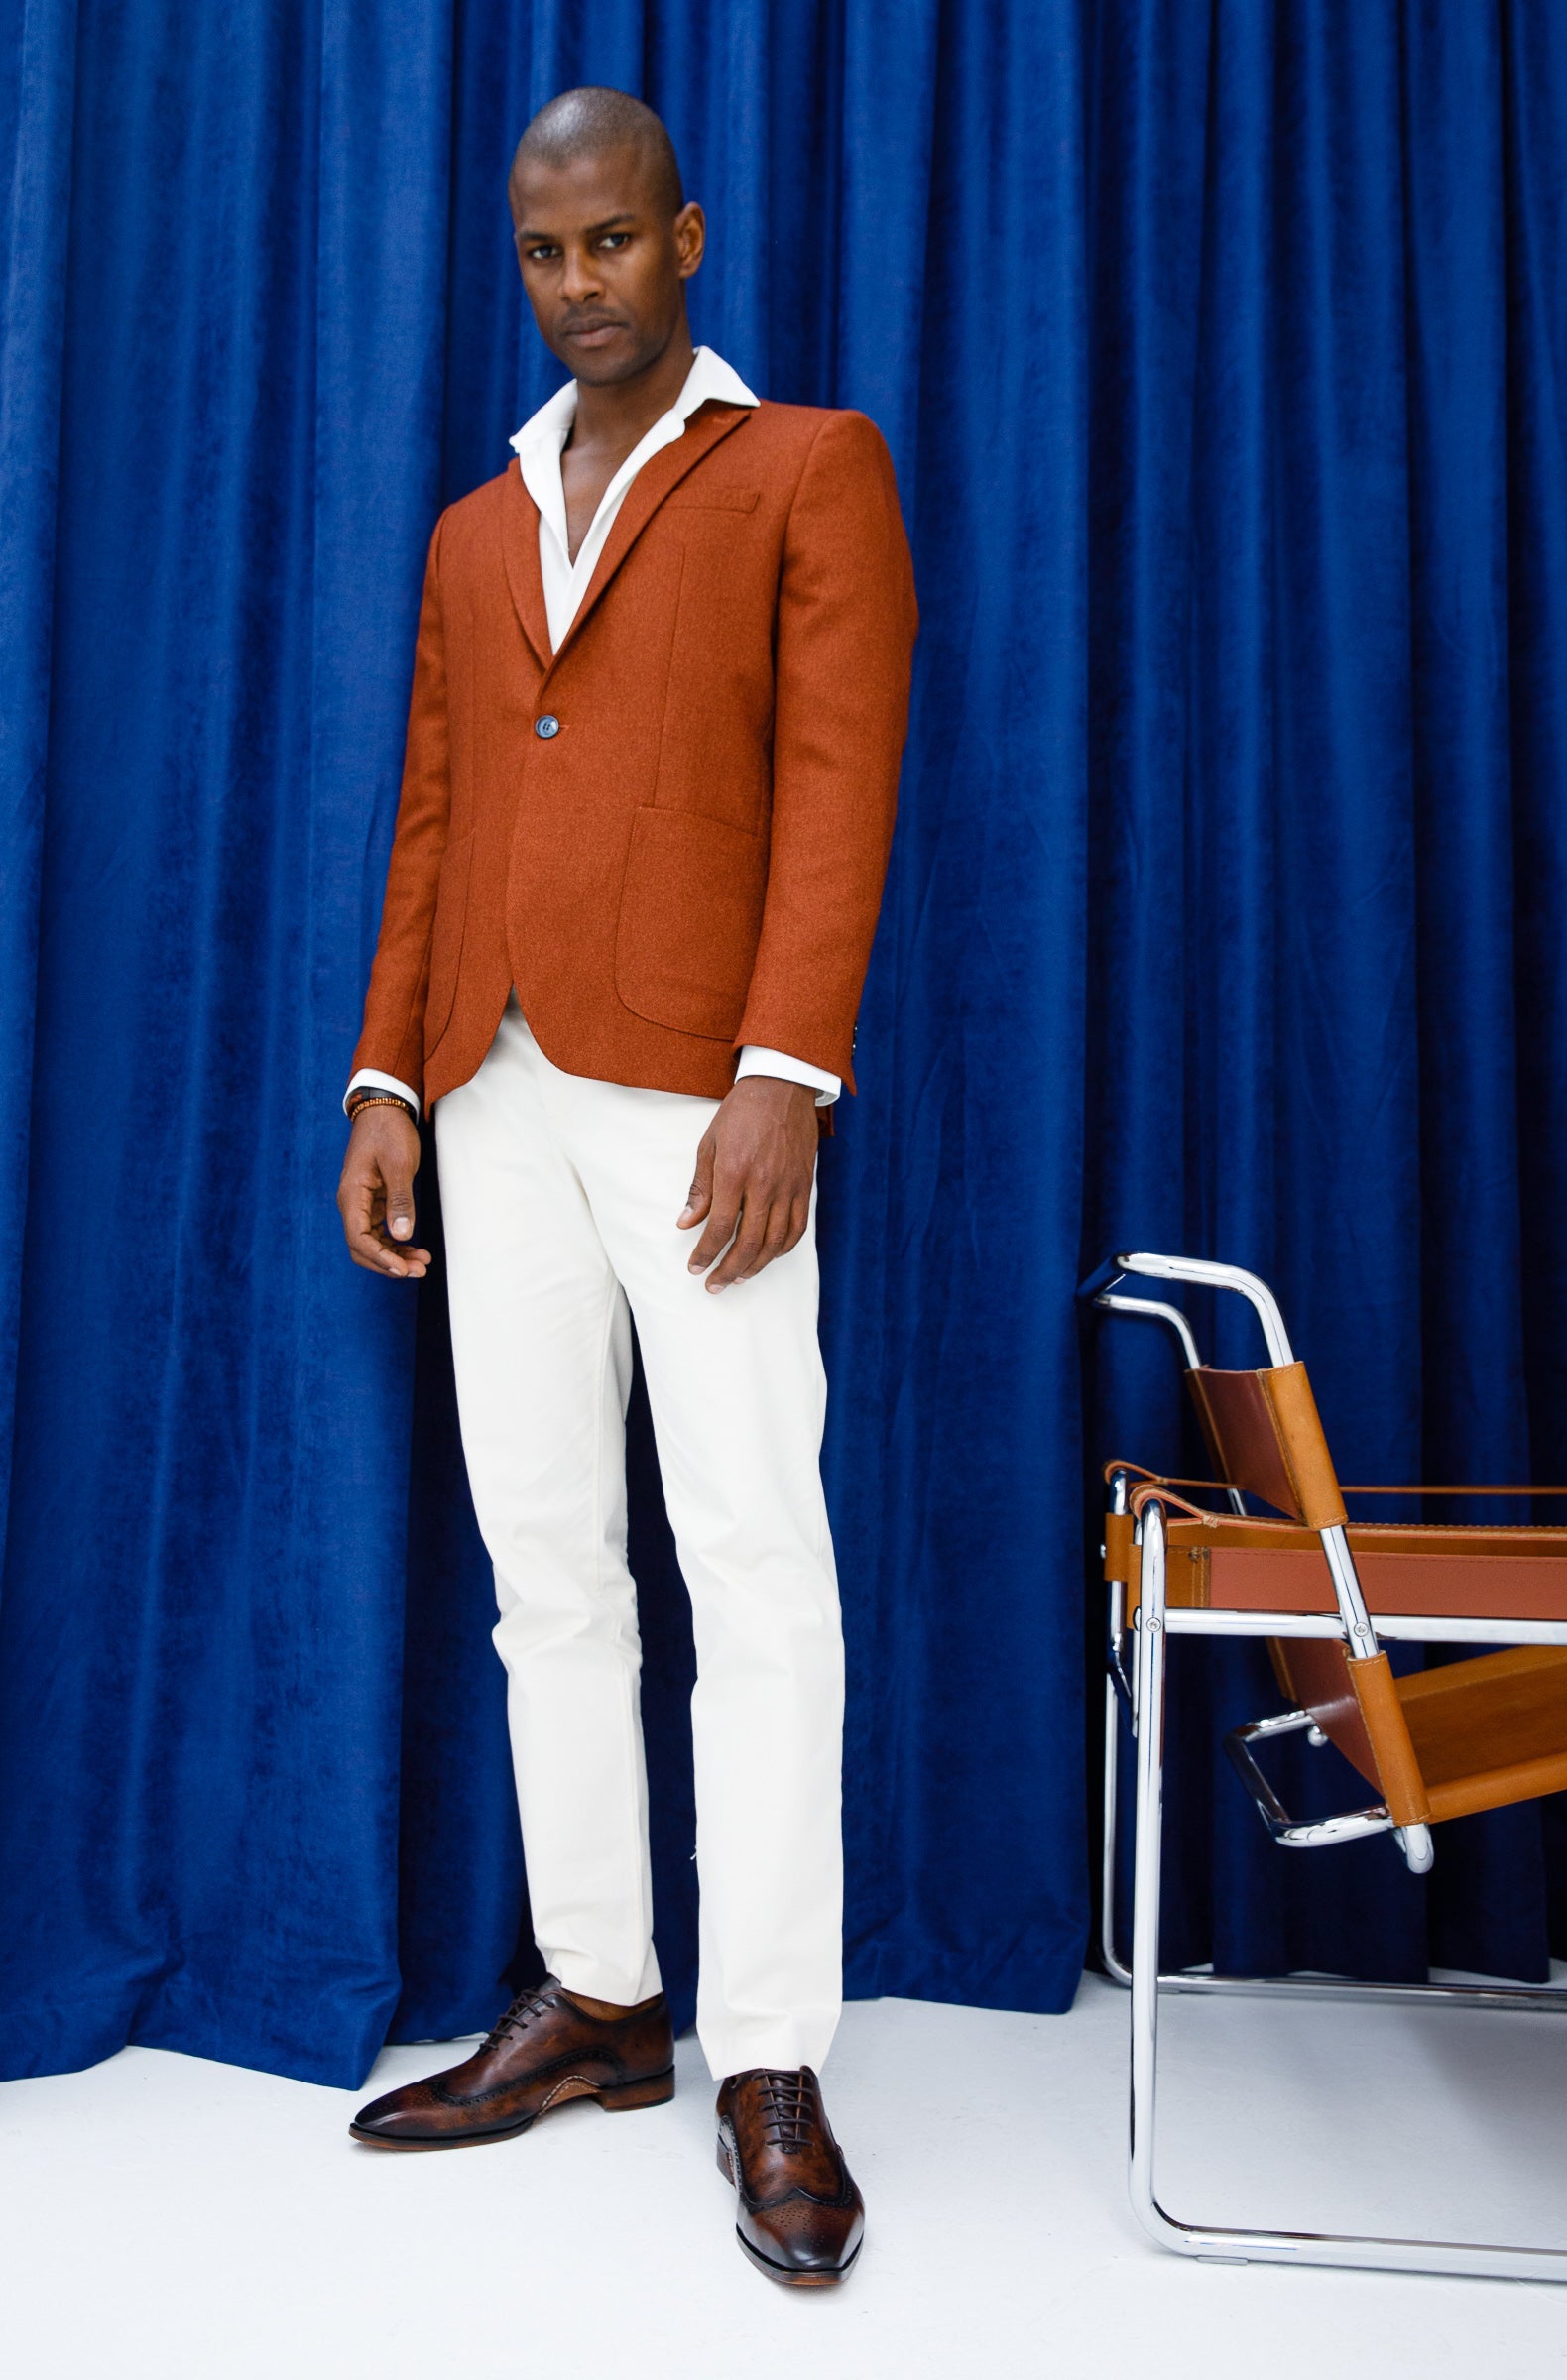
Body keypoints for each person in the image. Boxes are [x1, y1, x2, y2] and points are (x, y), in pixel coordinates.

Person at [335, 84, 915, 2289]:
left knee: (754, 1567)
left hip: (701, 1102)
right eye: (541, 250)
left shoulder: (805, 468)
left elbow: (841, 784)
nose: (576, 282)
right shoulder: (476, 523)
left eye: (610, 240)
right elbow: (435, 809)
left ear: (683, 236)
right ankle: (598, 1995)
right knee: (545, 1565)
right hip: (488, 1089)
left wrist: (786, 1079)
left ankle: (770, 2058)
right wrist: (389, 1076)